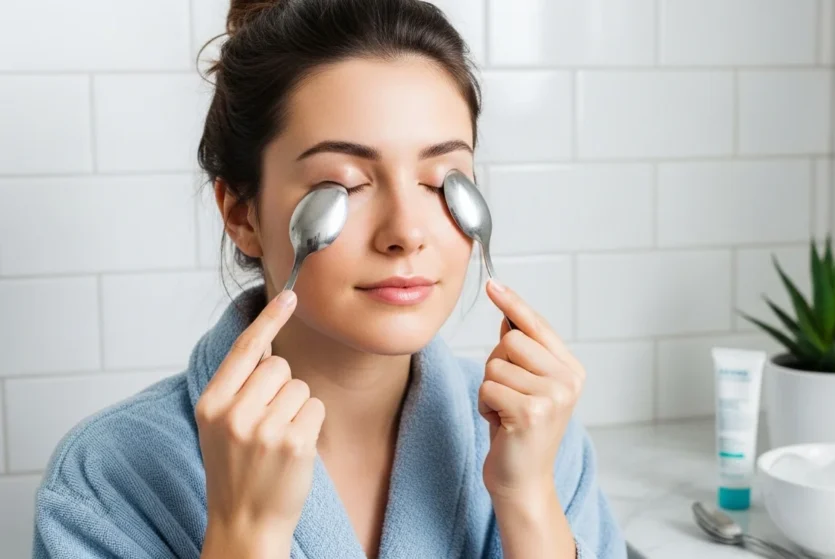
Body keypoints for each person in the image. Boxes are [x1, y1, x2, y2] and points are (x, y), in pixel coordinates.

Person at [31, 1, 627, 557]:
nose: (406, 232)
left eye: (442, 181)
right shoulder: (107, 477)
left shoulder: (535, 434)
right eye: (342, 186)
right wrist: (246, 532)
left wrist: (528, 501)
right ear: (242, 215)